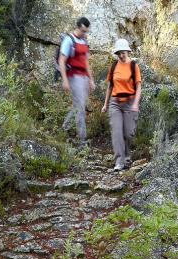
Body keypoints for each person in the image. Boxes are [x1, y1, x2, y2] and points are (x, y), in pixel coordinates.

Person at [101, 39, 142, 171]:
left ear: (128, 51)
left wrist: (135, 103)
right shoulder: (113, 66)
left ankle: (126, 155)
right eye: (118, 53)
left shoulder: (133, 66)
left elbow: (138, 87)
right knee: (117, 131)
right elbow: (109, 87)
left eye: (123, 53)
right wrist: (105, 104)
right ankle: (119, 161)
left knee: (129, 133)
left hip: (130, 103)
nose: (121, 55)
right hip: (115, 103)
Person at [59, 17, 96, 146]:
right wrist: (65, 80)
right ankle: (82, 139)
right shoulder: (69, 40)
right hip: (74, 76)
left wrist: (91, 79)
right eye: (83, 30)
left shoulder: (84, 41)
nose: (84, 33)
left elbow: (86, 62)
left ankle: (64, 127)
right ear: (78, 27)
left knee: (78, 105)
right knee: (80, 107)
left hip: (84, 77)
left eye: (86, 31)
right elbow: (62, 61)